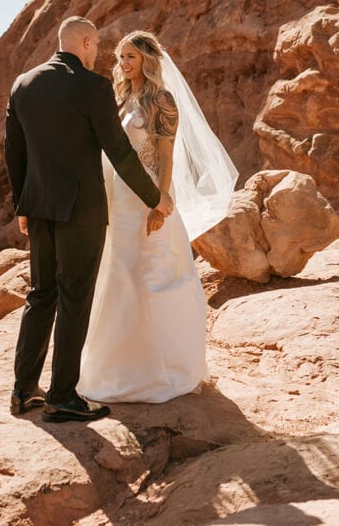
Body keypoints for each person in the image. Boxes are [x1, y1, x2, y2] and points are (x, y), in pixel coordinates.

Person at [4, 16, 174, 424]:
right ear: (85, 42)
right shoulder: (92, 87)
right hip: (81, 212)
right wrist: (157, 198)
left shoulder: (23, 84)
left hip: (39, 207)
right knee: (74, 298)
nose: (97, 54)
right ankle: (63, 396)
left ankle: (24, 391)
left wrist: (23, 206)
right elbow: (119, 151)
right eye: (96, 47)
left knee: (40, 295)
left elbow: (14, 151)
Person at [79, 30, 238, 403]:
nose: (123, 64)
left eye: (130, 57)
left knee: (153, 274)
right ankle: (117, 367)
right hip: (117, 198)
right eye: (120, 58)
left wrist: (160, 202)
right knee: (118, 273)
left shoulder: (161, 100)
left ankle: (168, 368)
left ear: (148, 60)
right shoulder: (122, 99)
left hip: (146, 196)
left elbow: (166, 156)